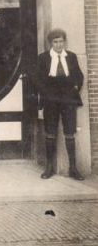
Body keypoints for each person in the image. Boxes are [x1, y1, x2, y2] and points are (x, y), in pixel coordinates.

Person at [35, 28, 84, 180]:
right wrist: (46, 94)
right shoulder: (43, 58)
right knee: (50, 132)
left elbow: (79, 75)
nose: (58, 45)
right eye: (55, 42)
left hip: (68, 98)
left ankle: (73, 169)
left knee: (69, 132)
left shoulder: (71, 56)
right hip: (51, 99)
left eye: (61, 41)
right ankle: (49, 167)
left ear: (64, 42)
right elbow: (37, 79)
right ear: (51, 43)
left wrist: (75, 87)